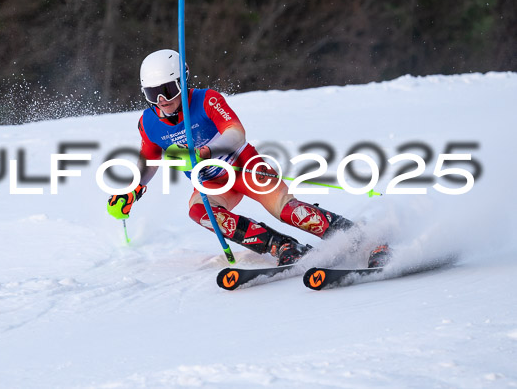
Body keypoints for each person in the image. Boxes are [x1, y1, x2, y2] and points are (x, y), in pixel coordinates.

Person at [107, 49, 389, 268]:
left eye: (168, 91)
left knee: (286, 210)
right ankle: (280, 246)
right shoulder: (149, 123)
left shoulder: (206, 100)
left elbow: (236, 134)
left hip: (244, 167)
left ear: (184, 80)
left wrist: (205, 152)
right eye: (152, 94)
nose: (162, 101)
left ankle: (367, 243)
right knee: (200, 213)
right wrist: (132, 190)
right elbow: (149, 159)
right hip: (212, 185)